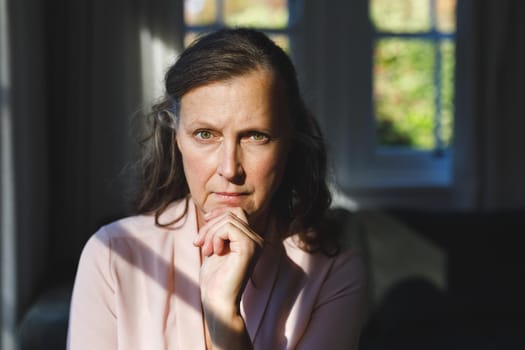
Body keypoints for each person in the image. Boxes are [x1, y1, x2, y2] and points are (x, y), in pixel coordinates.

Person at [67, 28, 367, 350]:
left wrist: (225, 319)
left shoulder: (332, 275)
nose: (229, 169)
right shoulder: (113, 255)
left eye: (256, 136)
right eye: (205, 135)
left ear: (289, 142)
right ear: (176, 136)